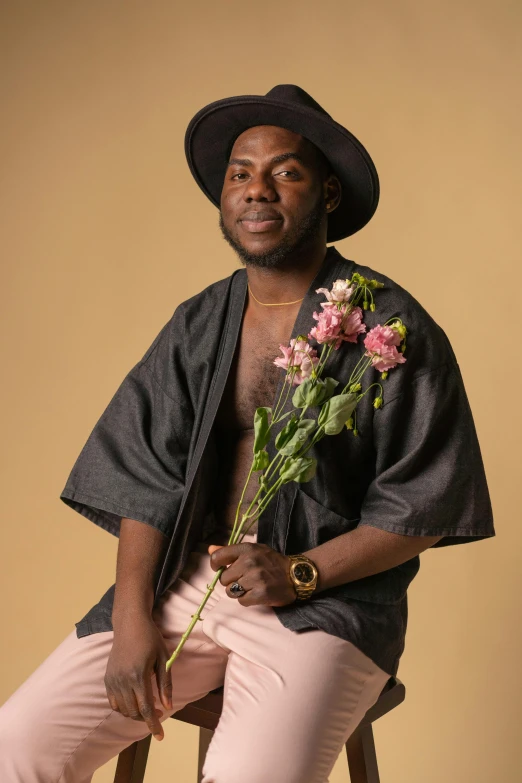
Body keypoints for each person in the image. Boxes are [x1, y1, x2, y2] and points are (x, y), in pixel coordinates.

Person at [0, 85, 495, 783]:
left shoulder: (389, 327)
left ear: (326, 193)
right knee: (15, 748)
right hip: (187, 582)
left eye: (284, 172)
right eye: (240, 173)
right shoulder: (199, 322)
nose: (257, 190)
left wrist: (301, 572)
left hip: (329, 606)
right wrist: (134, 615)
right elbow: (144, 474)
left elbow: (424, 506)